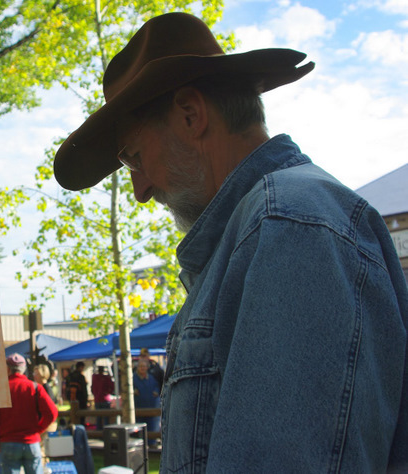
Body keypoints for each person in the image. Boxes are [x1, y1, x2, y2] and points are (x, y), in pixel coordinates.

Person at [53, 12, 408, 472]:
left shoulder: (289, 224)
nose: (139, 191)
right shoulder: (272, 225)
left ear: (190, 114)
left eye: (135, 158)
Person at [0, 353, 57, 474]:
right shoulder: (34, 387)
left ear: (7, 369)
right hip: (31, 442)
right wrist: (39, 429)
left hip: (8, 442)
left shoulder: (1, 389)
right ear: (24, 369)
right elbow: (52, 412)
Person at [133, 359, 161, 446]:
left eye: (144, 366)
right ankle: (141, 446)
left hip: (151, 408)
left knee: (152, 428)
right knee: (140, 429)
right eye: (140, 366)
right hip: (139, 409)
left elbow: (157, 386)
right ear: (137, 368)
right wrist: (133, 391)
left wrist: (156, 391)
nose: (142, 368)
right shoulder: (133, 378)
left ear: (147, 368)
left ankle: (152, 444)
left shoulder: (151, 378)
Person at [91, 366, 113, 430]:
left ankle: (99, 432)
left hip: (97, 400)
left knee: (98, 418)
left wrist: (96, 394)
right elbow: (112, 387)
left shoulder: (94, 378)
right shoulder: (106, 378)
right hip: (105, 399)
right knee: (106, 418)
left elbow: (92, 389)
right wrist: (107, 392)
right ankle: (106, 432)